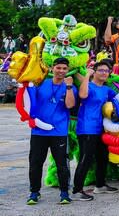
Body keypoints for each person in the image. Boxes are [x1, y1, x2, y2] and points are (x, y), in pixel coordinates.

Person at [26, 57, 77, 205]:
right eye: (58, 68)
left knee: (62, 164)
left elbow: (70, 105)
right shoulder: (41, 83)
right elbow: (28, 101)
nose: (61, 71)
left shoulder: (70, 87)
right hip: (38, 131)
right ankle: (34, 192)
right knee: (35, 163)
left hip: (59, 132)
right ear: (52, 68)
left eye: (64, 69)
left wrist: (68, 87)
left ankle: (64, 193)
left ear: (68, 70)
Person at [73, 61, 118, 201]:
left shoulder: (106, 89)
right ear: (95, 71)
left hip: (101, 128)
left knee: (102, 157)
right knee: (85, 159)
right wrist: (87, 75)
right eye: (101, 70)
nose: (104, 73)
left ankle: (100, 185)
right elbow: (83, 95)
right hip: (87, 128)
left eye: (107, 71)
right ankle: (77, 190)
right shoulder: (89, 86)